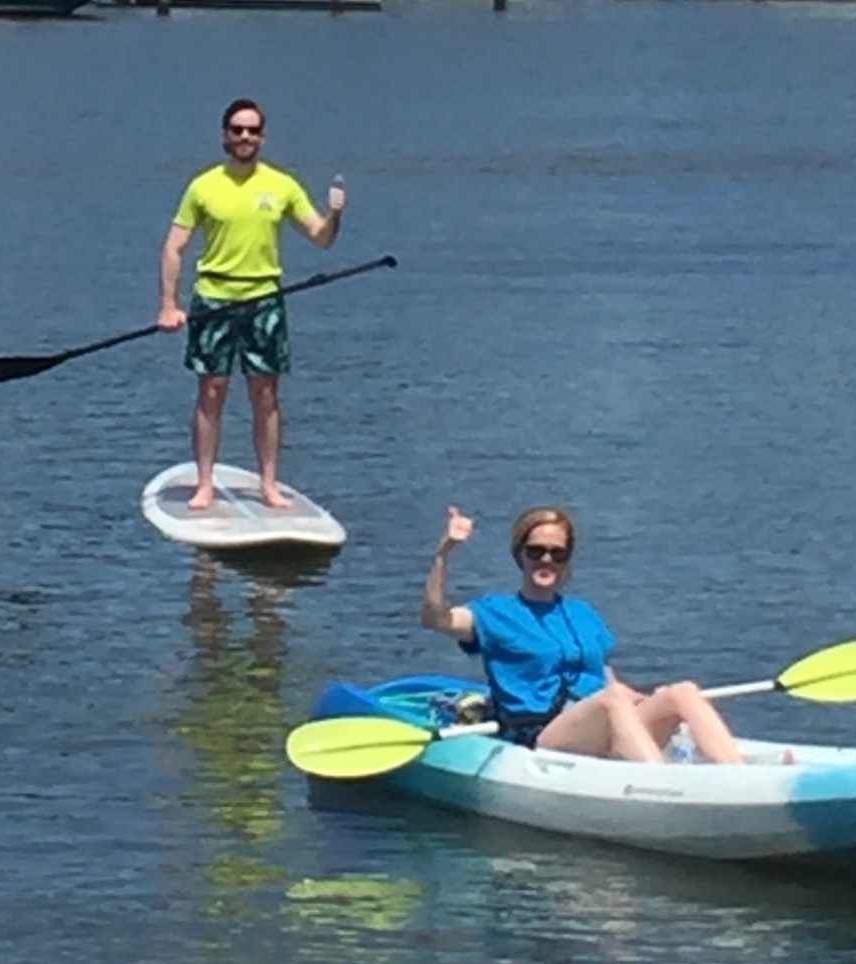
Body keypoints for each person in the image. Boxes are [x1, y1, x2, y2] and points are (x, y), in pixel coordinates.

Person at [420, 505, 747, 764]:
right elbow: (436, 619)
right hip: (542, 733)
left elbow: (607, 681)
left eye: (557, 553)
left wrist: (651, 701)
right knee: (612, 701)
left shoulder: (583, 614)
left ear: (567, 560)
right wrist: (444, 552)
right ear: (520, 554)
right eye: (536, 551)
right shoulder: (495, 612)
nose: (546, 559)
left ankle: (738, 776)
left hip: (603, 718)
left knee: (682, 692)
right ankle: (661, 783)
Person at [157, 98, 344, 512]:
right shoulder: (203, 185)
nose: (245, 137)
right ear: (225, 135)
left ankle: (270, 484)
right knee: (211, 391)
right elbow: (174, 246)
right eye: (237, 130)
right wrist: (168, 305)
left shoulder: (282, 185)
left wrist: (334, 214)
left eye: (252, 130)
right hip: (214, 298)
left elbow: (321, 238)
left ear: (262, 136)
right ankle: (204, 483)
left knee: (265, 395)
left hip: (264, 298)